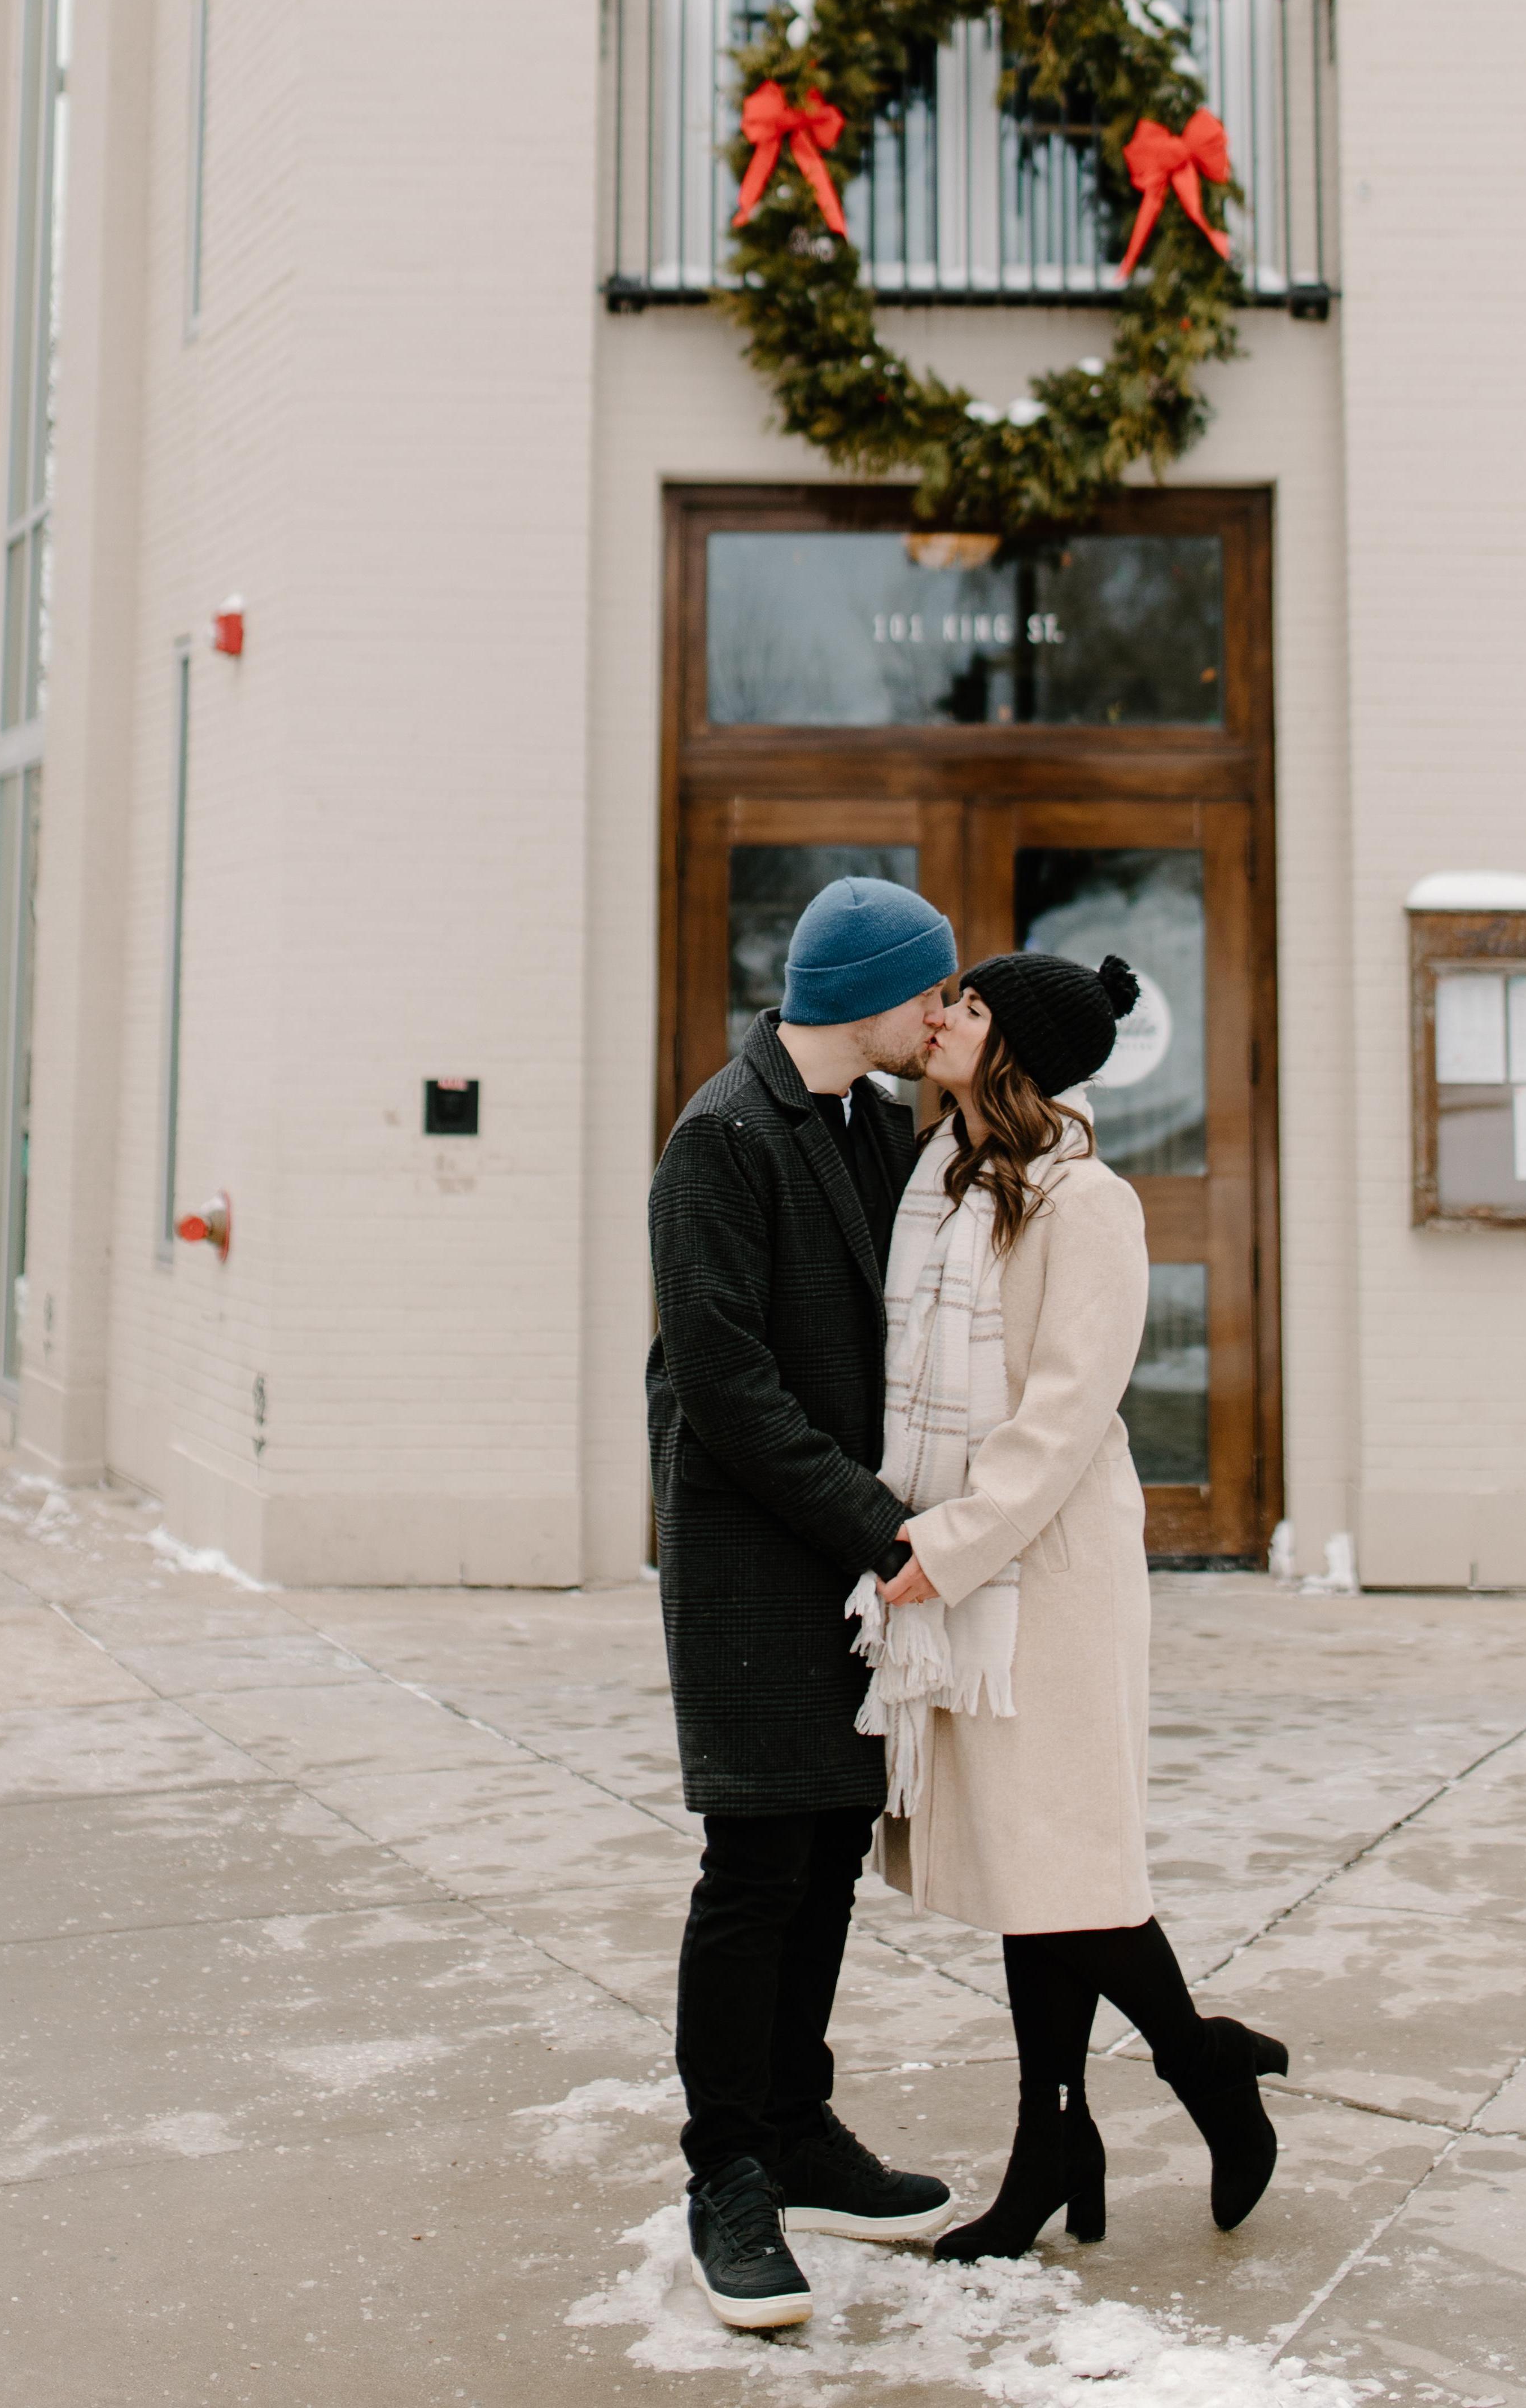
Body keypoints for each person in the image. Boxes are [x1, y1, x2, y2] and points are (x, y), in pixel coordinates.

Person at [855, 950, 1295, 2260]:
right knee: (1026, 1860)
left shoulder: (1085, 1202)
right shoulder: (939, 1176)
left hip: (1040, 1564)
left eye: (968, 1006)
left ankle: (1183, 2075)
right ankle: (1078, 2127)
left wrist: (954, 1542)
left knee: (1064, 1856)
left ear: (1017, 1047)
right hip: (959, 1556)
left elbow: (1065, 1410)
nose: (939, 1016)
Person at [644, 875, 965, 2332]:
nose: (941, 1017)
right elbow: (724, 1384)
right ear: (871, 994)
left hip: (842, 1555)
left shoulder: (872, 1121)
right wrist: (881, 1522)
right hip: (751, 1557)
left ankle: (798, 2126)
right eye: (932, 994)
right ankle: (727, 2172)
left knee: (828, 1847)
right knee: (757, 1862)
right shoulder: (721, 1135)